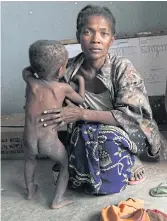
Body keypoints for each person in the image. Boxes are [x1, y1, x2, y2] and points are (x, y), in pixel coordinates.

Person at [23, 5, 165, 195]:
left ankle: (131, 159)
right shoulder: (67, 69)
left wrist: (81, 113)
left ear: (111, 40)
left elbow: (132, 118)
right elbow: (41, 85)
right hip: (86, 130)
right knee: (81, 144)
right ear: (78, 36)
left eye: (103, 34)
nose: (96, 40)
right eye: (88, 32)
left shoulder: (122, 68)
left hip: (128, 132)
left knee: (107, 147)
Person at [23, 40, 85, 208]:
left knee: (30, 160)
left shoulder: (31, 82)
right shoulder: (62, 88)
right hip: (49, 142)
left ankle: (30, 191)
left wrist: (35, 67)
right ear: (61, 69)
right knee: (65, 164)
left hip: (29, 138)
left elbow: (25, 71)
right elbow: (81, 99)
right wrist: (80, 81)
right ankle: (57, 200)